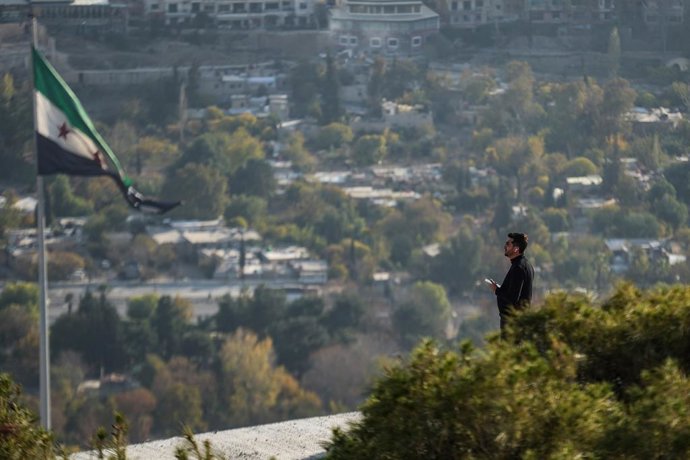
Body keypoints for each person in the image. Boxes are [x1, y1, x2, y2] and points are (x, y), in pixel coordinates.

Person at [488, 232, 534, 333]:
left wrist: (497, 290)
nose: (505, 246)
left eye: (508, 244)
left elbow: (513, 298)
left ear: (516, 249)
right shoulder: (525, 265)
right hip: (518, 320)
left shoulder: (518, 267)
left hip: (513, 322)